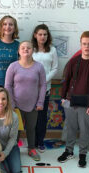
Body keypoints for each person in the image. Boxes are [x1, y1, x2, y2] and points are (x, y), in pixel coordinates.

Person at [57, 31, 89, 168]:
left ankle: (82, 154)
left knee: (85, 130)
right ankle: (69, 151)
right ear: (80, 44)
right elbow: (66, 81)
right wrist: (62, 98)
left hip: (88, 104)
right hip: (71, 101)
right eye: (84, 44)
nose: (87, 47)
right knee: (70, 128)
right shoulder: (73, 61)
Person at [5, 41, 47, 161]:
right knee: (15, 129)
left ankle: (31, 149)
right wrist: (11, 103)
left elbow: (43, 85)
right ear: (19, 51)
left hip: (33, 105)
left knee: (31, 128)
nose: (25, 50)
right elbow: (7, 85)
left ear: (32, 50)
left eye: (28, 48)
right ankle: (13, 149)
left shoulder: (39, 67)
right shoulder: (13, 66)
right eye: (23, 48)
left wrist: (40, 102)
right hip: (16, 105)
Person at [31, 24, 58, 153]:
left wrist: (44, 80)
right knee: (31, 118)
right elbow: (25, 65)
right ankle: (32, 143)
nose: (42, 37)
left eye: (45, 34)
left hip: (45, 89)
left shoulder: (52, 50)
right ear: (35, 35)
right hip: (30, 89)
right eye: (40, 34)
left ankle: (40, 142)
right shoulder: (30, 49)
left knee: (42, 118)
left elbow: (55, 68)